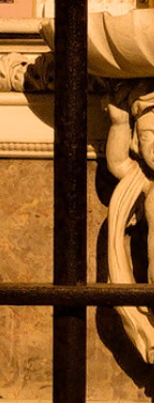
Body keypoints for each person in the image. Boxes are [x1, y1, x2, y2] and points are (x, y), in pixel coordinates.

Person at [106, 85, 154, 363]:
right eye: (148, 135)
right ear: (136, 141)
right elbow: (117, 163)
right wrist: (120, 124)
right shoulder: (145, 182)